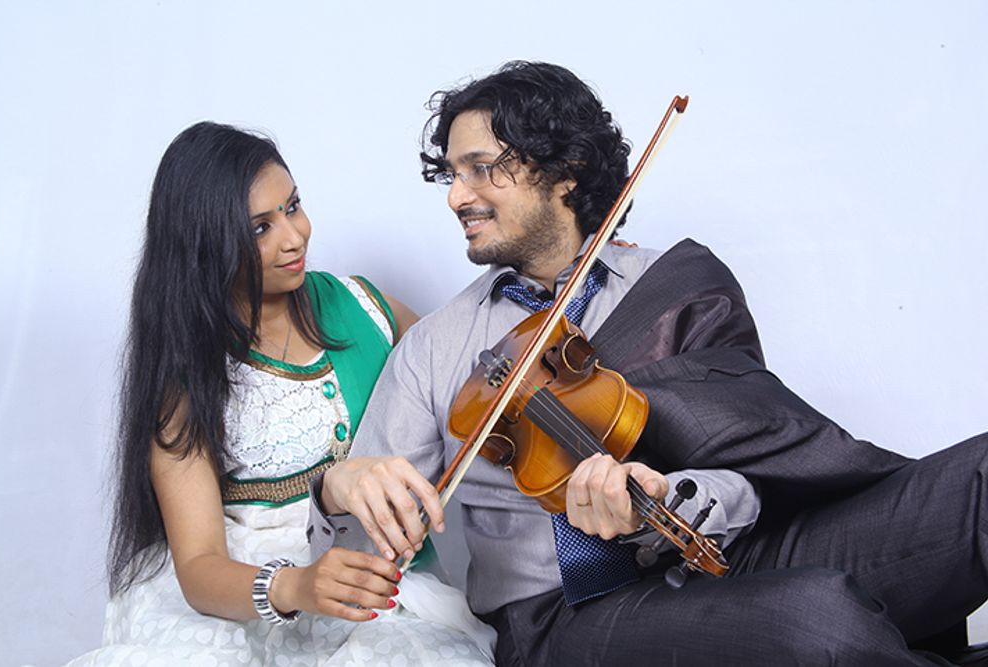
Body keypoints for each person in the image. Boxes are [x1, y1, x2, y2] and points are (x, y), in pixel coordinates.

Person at [308, 61, 988, 666]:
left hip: (726, 551)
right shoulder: (434, 347)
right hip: (564, 614)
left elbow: (752, 456)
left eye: (483, 168)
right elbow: (360, 550)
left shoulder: (678, 284)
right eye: (452, 175)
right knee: (820, 619)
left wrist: (667, 498)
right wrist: (338, 488)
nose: (457, 196)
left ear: (565, 171)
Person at [68, 122, 495, 666]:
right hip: (247, 601)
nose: (293, 237)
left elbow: (466, 386)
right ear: (206, 245)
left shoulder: (365, 308)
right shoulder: (188, 377)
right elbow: (199, 567)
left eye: (293, 207)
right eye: (259, 228)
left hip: (377, 582)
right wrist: (298, 586)